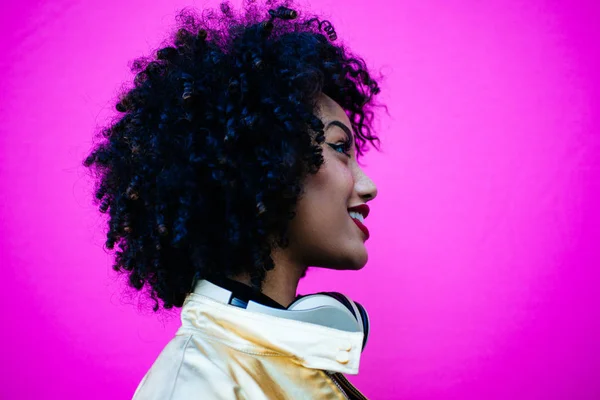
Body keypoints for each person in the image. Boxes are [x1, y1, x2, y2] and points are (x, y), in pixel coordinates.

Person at [83, 0, 382, 398]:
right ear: (262, 161)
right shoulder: (197, 384)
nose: (368, 186)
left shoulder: (254, 363)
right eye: (340, 147)